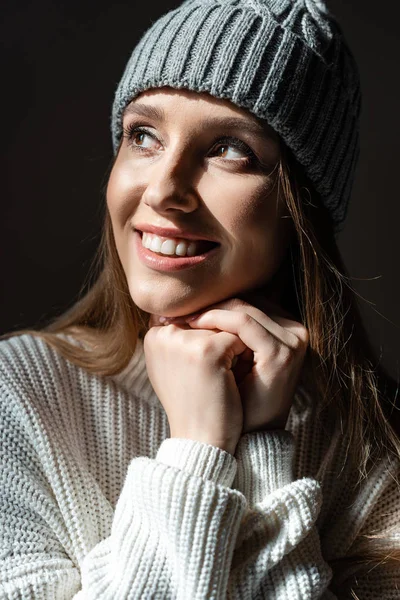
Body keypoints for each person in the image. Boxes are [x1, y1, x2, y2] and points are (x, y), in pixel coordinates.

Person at [1, 0, 399, 598]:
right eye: (144, 135)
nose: (164, 189)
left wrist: (262, 443)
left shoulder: (375, 446)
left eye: (230, 149)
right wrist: (198, 448)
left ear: (300, 207)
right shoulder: (18, 396)